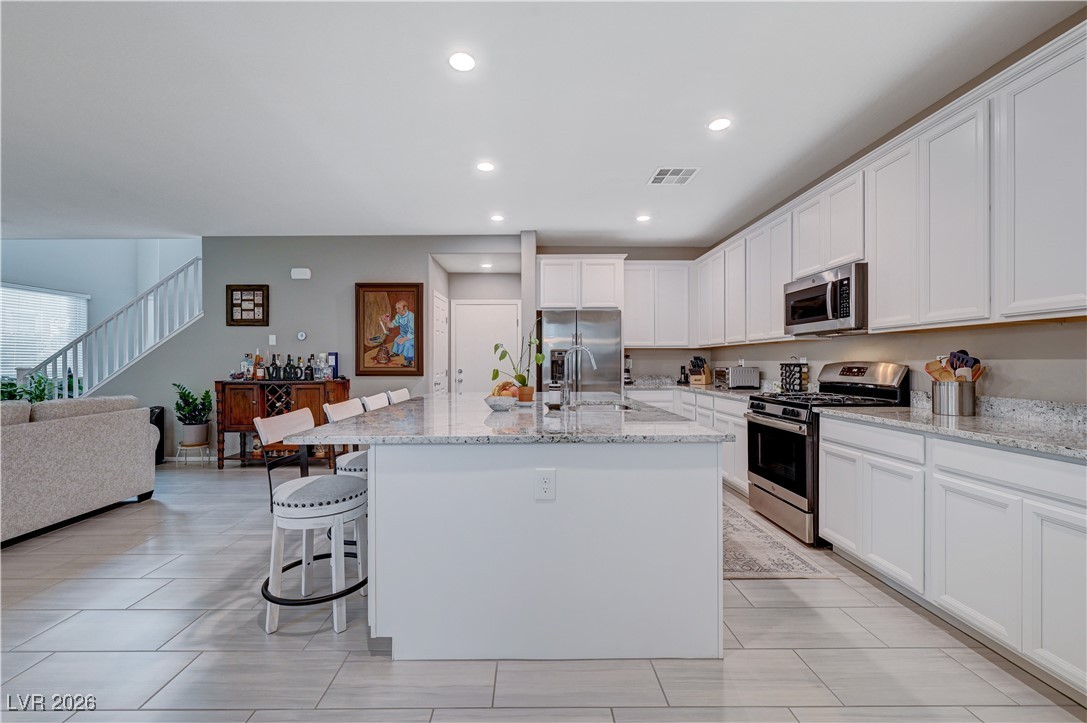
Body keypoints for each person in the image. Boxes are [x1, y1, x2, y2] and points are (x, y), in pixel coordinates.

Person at [382, 300, 415, 367]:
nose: (397, 310)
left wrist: (404, 339)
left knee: (407, 344)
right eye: (396, 308)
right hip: (403, 335)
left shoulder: (411, 316)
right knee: (396, 339)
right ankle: (396, 353)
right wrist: (387, 321)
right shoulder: (398, 316)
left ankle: (408, 361)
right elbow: (392, 324)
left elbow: (412, 331)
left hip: (412, 336)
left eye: (399, 308)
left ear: (405, 308)